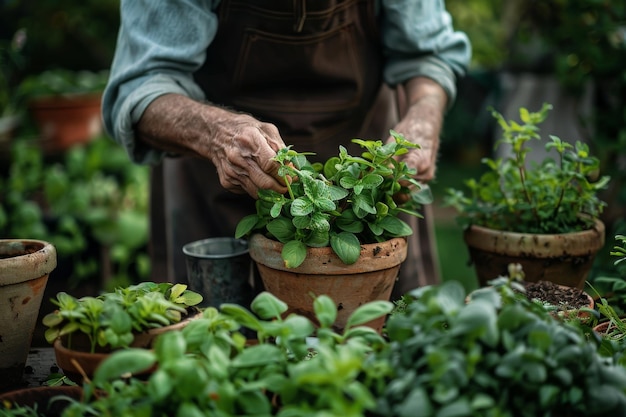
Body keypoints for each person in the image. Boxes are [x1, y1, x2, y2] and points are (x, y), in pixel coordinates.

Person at [102, 0, 471, 300]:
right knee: (213, 343)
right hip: (217, 173)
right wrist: (218, 134)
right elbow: (141, 85)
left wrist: (422, 118)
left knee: (389, 341)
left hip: (365, 166)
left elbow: (429, 52)